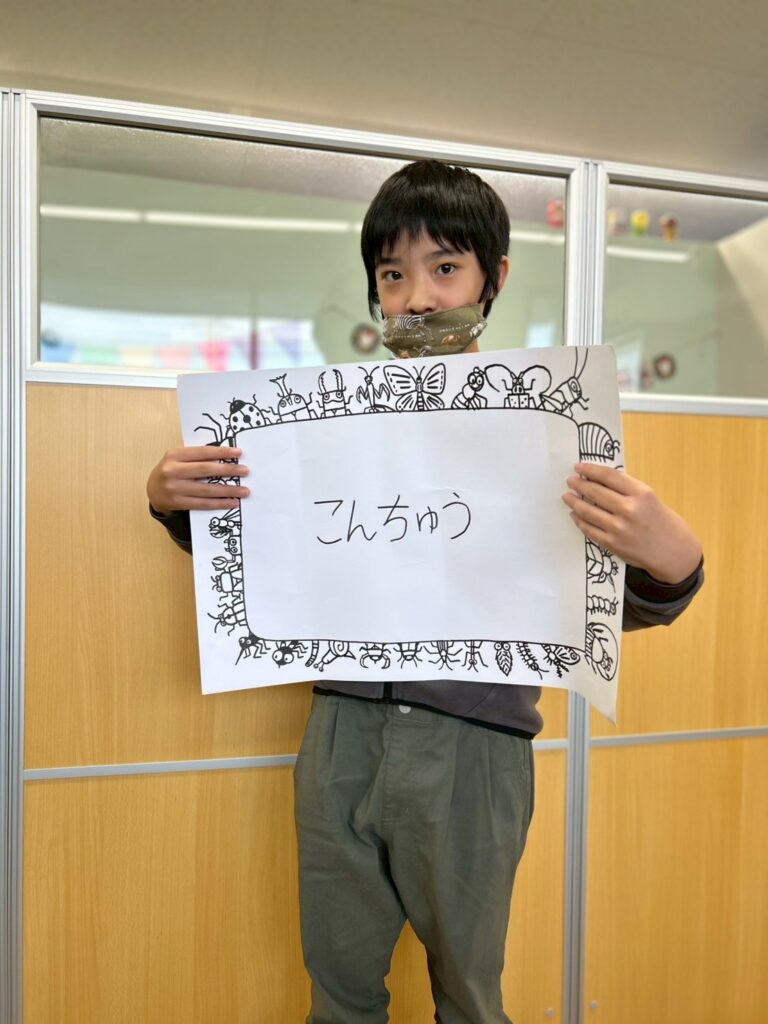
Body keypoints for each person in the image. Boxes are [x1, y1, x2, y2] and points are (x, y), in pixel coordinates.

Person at [147, 160, 704, 1024]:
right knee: (338, 993)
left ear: (493, 277)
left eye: (445, 267)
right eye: (392, 274)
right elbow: (266, 553)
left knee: (470, 999)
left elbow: (586, 598)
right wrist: (174, 503)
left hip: (475, 744)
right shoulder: (324, 426)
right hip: (340, 730)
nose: (416, 298)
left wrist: (675, 562)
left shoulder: (545, 430)